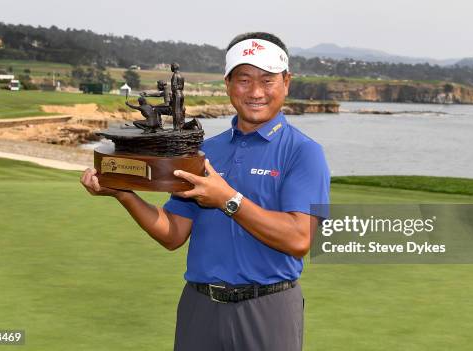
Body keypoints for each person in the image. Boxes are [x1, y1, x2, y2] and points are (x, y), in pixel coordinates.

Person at [80, 32, 330, 351]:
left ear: (286, 82)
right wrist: (124, 195)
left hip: (267, 307)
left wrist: (227, 199)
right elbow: (173, 233)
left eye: (267, 80)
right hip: (200, 305)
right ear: (227, 84)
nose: (255, 92)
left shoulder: (304, 152)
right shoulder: (203, 151)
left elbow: (299, 240)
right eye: (243, 80)